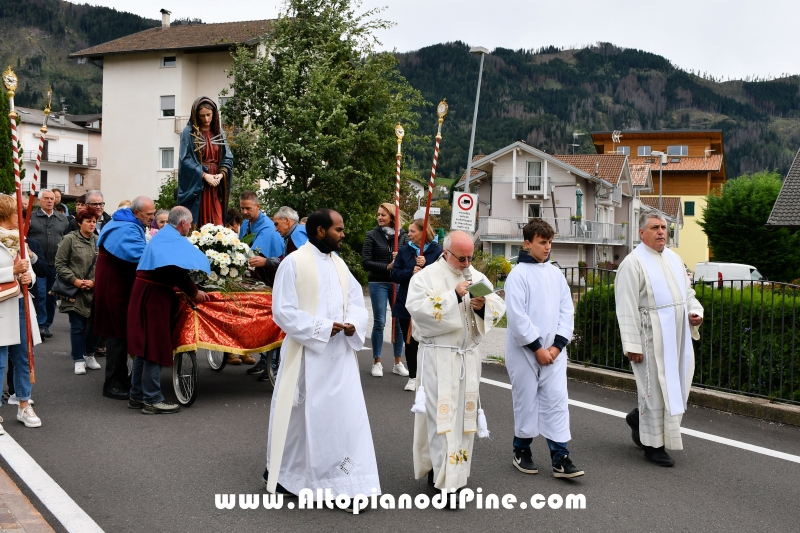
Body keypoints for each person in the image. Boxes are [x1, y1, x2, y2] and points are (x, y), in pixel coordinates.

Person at [264, 209, 380, 510]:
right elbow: (283, 311)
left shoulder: (339, 264)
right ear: (319, 231)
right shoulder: (293, 263)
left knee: (341, 419)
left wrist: (353, 322)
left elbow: (356, 301)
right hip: (307, 355)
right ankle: (287, 475)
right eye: (338, 230)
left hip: (339, 357)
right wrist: (323, 328)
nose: (343, 235)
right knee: (300, 421)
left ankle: (344, 483)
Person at [405, 230, 506, 493]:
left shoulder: (475, 276)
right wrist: (453, 295)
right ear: (446, 253)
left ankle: (452, 471)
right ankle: (448, 483)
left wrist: (482, 305)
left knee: (464, 419)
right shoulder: (425, 277)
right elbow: (418, 311)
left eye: (471, 257)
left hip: (467, 359)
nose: (467, 264)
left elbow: (497, 306)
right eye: (462, 258)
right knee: (443, 417)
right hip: (439, 357)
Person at [615, 212, 704, 467]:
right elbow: (626, 306)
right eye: (655, 227)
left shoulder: (675, 260)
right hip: (650, 338)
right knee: (654, 391)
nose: (662, 232)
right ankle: (653, 446)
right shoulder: (633, 264)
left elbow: (688, 294)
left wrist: (694, 313)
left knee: (676, 387)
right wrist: (632, 345)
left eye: (664, 227)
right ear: (642, 233)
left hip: (677, 338)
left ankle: (637, 417)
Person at [504, 219, 584, 478]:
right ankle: (521, 450)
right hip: (525, 351)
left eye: (550, 242)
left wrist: (558, 346)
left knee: (557, 401)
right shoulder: (518, 275)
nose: (547, 247)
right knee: (526, 401)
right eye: (542, 242)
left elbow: (566, 311)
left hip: (554, 353)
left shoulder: (556, 274)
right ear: (528, 244)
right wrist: (538, 347)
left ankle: (560, 457)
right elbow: (517, 317)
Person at [128, 206, 209, 414]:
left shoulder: (165, 236)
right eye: (190, 223)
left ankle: (137, 395)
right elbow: (176, 271)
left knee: (144, 348)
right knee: (153, 345)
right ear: (182, 223)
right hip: (153, 296)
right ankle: (152, 399)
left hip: (147, 292)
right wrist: (194, 292)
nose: (191, 227)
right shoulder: (171, 238)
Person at [93, 196, 155, 401]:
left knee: (121, 337)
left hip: (118, 288)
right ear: (136, 213)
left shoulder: (126, 223)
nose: (152, 218)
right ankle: (112, 384)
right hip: (114, 290)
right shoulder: (125, 228)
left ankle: (122, 380)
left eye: (154, 213)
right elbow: (141, 256)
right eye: (149, 215)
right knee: (117, 338)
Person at [247, 206, 309, 377]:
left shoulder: (298, 235)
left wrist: (266, 262)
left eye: (277, 224)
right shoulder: (293, 236)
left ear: (287, 221)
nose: (275, 229)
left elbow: (298, 262)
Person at [0, 194, 42, 428]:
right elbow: (13, 270)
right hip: (2, 307)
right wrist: (12, 271)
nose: (22, 216)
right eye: (18, 211)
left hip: (21, 305)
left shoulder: (21, 240)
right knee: (0, 361)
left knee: (24, 359)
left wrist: (28, 276)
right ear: (6, 213)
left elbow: (31, 275)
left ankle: (24, 405)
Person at [390, 218, 442, 392]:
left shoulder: (438, 251)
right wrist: (410, 272)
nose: (409, 234)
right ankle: (413, 376)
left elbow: (442, 275)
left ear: (423, 232)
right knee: (410, 341)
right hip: (407, 303)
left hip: (430, 303)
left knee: (430, 342)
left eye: (412, 231)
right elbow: (395, 275)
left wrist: (426, 265)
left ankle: (429, 376)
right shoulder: (404, 251)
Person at [361, 202, 408, 378]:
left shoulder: (403, 235)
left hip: (397, 283)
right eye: (378, 214)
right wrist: (387, 266)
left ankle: (398, 362)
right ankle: (377, 362)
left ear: (392, 217)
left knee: (399, 322)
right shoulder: (372, 235)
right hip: (378, 282)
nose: (380, 217)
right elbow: (366, 262)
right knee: (380, 321)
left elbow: (409, 258)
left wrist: (401, 257)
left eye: (383, 215)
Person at [55, 207, 101, 375]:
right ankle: (78, 359)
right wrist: (75, 281)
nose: (92, 224)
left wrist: (94, 282)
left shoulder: (99, 240)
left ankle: (90, 354)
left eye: (94, 221)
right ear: (79, 222)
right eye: (88, 221)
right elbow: (60, 264)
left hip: (94, 290)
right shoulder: (69, 239)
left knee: (96, 326)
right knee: (77, 326)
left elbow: (104, 267)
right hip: (74, 291)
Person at [178, 97, 233, 227]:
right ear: (196, 115)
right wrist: (204, 175)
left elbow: (227, 157)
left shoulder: (219, 132)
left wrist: (221, 174)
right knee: (199, 221)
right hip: (198, 185)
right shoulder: (189, 133)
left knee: (218, 221)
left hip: (216, 184)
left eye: (209, 115)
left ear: (214, 114)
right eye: (202, 116)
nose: (206, 119)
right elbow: (185, 159)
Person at [26, 188, 69, 339]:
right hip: (37, 263)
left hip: (56, 264)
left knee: (52, 296)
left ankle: (47, 324)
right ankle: (40, 324)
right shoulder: (31, 217)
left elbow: (66, 240)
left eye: (52, 199)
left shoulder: (62, 219)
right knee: (41, 294)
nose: (50, 201)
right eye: (46, 198)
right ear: (39, 201)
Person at [239, 191, 283, 287]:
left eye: (248, 208)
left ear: (258, 206)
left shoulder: (267, 227)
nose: (244, 212)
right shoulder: (245, 223)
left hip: (268, 276)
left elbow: (254, 257)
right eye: (242, 208)